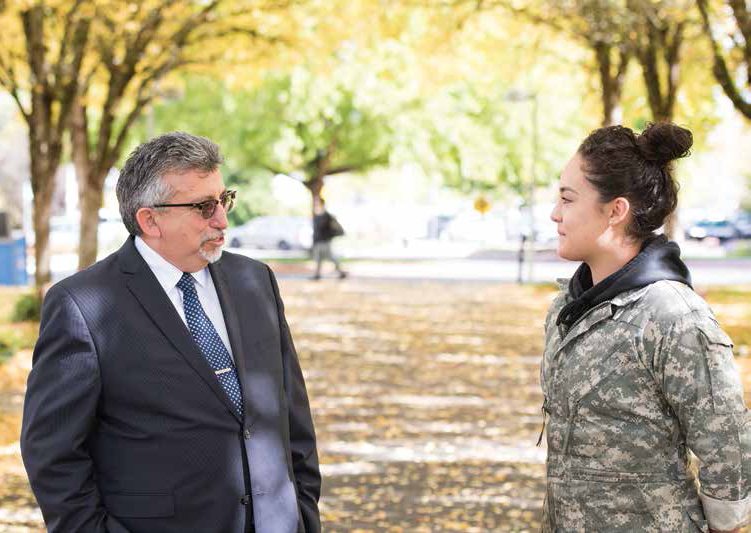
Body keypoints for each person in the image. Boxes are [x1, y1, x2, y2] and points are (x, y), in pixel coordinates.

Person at [20, 132, 321, 533]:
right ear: (149, 220)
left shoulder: (255, 281)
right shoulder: (83, 306)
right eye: (203, 206)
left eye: (224, 199)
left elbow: (292, 417)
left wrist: (303, 513)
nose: (222, 219)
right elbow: (53, 454)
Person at [541, 122, 750, 532]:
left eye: (567, 198)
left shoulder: (672, 316)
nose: (555, 213)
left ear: (616, 211)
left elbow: (731, 453)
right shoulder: (566, 307)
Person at [311, 198, 347, 280]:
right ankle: (317, 274)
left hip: (325, 241)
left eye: (318, 203)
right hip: (318, 241)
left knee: (330, 257)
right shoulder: (316, 216)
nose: (316, 205)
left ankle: (340, 272)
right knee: (318, 259)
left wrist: (330, 235)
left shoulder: (327, 216)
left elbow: (335, 227)